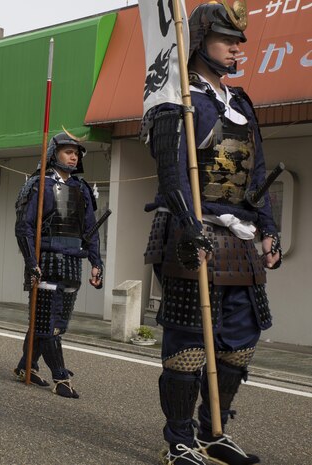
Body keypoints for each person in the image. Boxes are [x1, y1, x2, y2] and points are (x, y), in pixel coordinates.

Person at [143, 3, 281, 464]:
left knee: (239, 344)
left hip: (240, 240)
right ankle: (179, 441)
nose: (236, 50)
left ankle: (213, 432)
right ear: (199, 41)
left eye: (239, 42)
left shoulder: (240, 102)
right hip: (193, 232)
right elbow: (171, 173)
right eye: (227, 41)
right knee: (187, 348)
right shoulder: (177, 100)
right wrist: (188, 226)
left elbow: (257, 174)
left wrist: (268, 229)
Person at [13, 129, 104, 398]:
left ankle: (25, 366)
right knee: (48, 324)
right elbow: (24, 228)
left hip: (73, 262)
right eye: (68, 152)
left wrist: (96, 262)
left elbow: (90, 230)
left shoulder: (81, 189)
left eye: (76, 153)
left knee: (54, 324)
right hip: (46, 261)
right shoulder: (38, 184)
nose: (74, 157)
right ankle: (61, 378)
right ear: (54, 154)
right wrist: (31, 261)